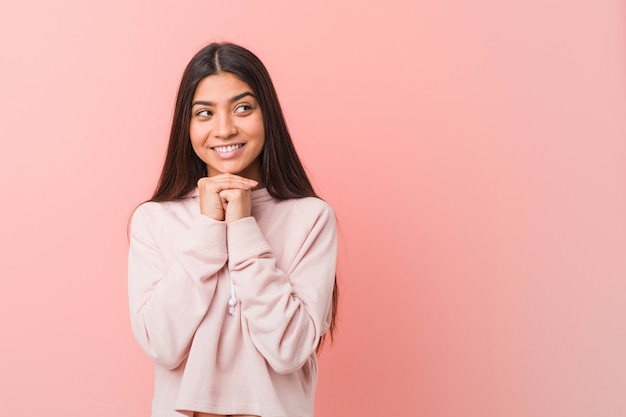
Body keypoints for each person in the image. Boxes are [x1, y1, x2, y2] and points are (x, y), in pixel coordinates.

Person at [128, 42, 338, 417]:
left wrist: (242, 227)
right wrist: (209, 227)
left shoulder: (311, 218)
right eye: (204, 113)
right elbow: (162, 344)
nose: (224, 129)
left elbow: (289, 350)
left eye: (243, 108)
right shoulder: (153, 220)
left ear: (266, 115)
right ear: (186, 125)